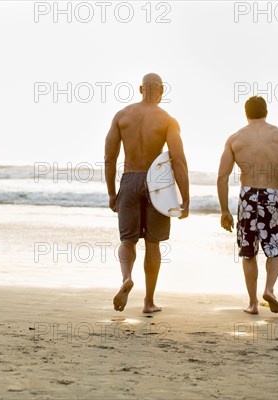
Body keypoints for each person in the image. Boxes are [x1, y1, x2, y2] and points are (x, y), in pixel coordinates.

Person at [104, 73, 190, 313]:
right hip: (158, 182)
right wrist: (186, 198)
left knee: (127, 240)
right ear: (161, 90)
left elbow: (109, 159)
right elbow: (179, 160)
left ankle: (126, 278)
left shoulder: (122, 116)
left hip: (130, 179)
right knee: (153, 244)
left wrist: (112, 193)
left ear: (141, 89)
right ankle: (148, 302)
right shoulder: (167, 120)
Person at [217, 96, 278, 314]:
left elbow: (222, 177)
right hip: (272, 196)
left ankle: (252, 303)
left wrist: (224, 211)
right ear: (266, 112)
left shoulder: (235, 139)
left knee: (248, 251)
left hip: (247, 196)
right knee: (276, 246)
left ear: (245, 113)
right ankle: (269, 289)